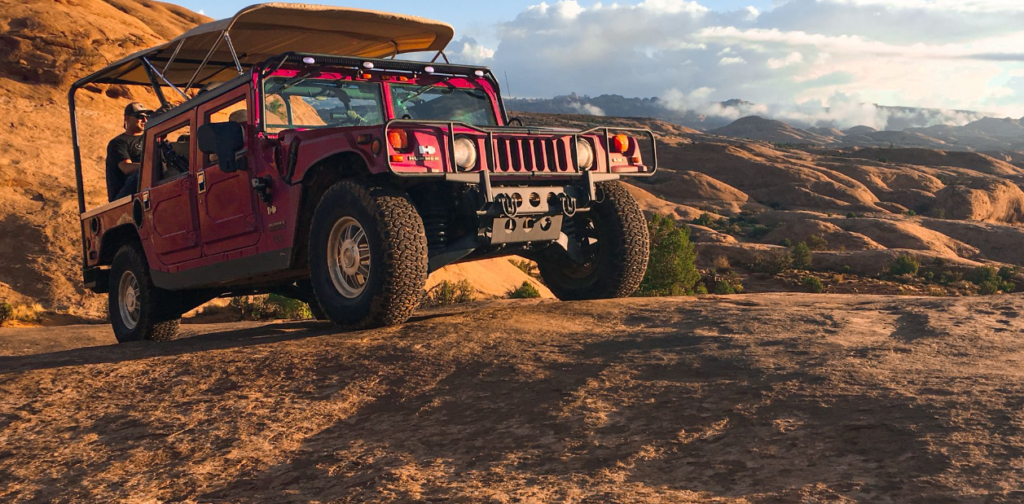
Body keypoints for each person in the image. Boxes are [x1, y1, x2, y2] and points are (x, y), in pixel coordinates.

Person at [105, 102, 151, 202]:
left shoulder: (150, 137)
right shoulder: (118, 143)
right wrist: (150, 166)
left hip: (147, 188)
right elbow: (126, 168)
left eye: (146, 116)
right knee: (141, 173)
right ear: (127, 118)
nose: (144, 120)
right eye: (139, 116)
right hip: (124, 196)